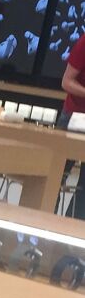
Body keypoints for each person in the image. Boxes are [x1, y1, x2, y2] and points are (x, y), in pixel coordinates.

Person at [56, 34, 85, 218]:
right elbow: (66, 81)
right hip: (73, 118)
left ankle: (70, 238)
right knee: (55, 176)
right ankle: (39, 231)